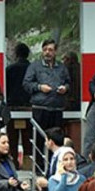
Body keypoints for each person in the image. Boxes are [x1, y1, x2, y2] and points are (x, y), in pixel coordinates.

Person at [22, 39, 70, 171]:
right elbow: (26, 84)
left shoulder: (61, 67)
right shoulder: (35, 66)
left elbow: (68, 82)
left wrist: (65, 88)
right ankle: (39, 168)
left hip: (57, 108)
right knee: (39, 139)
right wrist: (39, 87)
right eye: (45, 50)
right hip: (40, 108)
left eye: (50, 50)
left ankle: (56, 167)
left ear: (55, 52)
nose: (47, 53)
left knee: (56, 140)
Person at [6, 43, 31, 108]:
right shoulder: (33, 69)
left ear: (16, 54)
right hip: (29, 103)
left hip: (13, 104)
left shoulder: (10, 69)